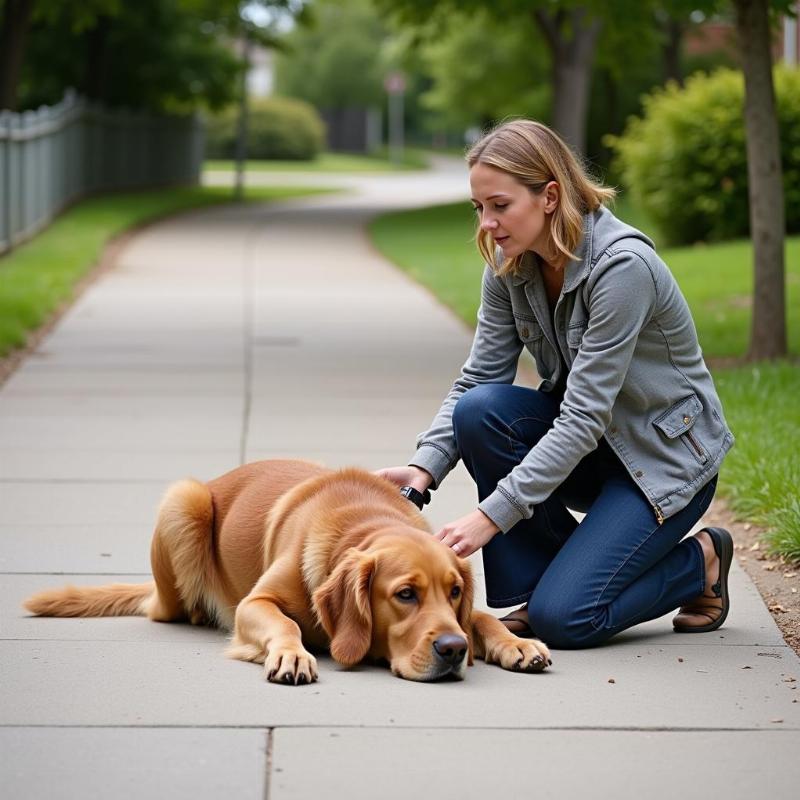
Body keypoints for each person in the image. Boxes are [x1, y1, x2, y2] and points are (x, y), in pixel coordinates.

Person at [378, 119, 735, 649]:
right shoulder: (510, 263)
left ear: (549, 196)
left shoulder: (623, 268)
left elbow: (584, 417)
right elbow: (479, 377)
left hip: (661, 463)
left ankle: (700, 562)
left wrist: (489, 517)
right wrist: (424, 465)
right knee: (480, 410)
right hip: (593, 453)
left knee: (567, 620)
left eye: (500, 206)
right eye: (479, 208)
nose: (488, 224)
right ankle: (544, 588)